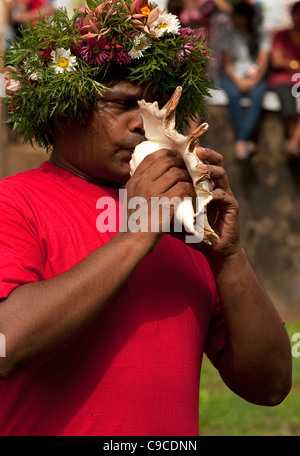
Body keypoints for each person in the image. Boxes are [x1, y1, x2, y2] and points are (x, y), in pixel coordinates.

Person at [1, 0, 291, 436]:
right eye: (124, 104)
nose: (147, 122)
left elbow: (270, 386)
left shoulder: (182, 218)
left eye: (158, 105)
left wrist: (228, 255)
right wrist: (136, 237)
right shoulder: (14, 201)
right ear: (64, 110)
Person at [219, 2, 270, 160]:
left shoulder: (261, 36)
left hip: (255, 77)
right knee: (233, 94)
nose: (232, 19)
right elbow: (227, 64)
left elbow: (263, 62)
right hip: (234, 76)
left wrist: (253, 81)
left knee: (257, 95)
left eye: (236, 15)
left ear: (246, 18)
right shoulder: (227, 35)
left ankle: (241, 139)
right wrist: (239, 81)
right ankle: (244, 139)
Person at [269, 1, 300, 156]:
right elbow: (276, 60)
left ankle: (294, 142)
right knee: (289, 107)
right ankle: (294, 142)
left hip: (296, 80)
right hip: (284, 80)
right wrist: (295, 64)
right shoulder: (282, 36)